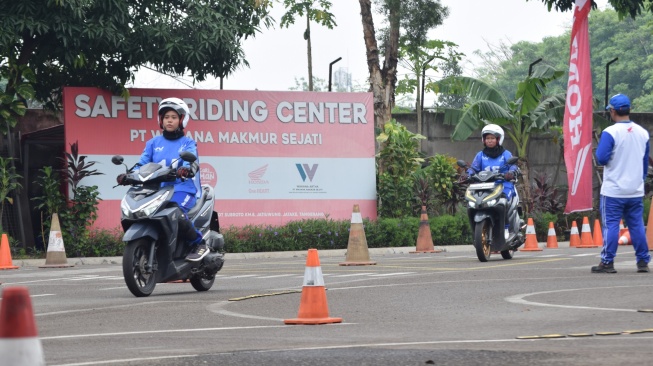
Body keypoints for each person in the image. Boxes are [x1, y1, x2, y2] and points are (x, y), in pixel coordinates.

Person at [117, 97, 209, 262]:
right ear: (161, 120)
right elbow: (143, 163)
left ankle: (199, 243)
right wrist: (129, 176)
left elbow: (192, 161)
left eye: (174, 117)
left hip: (183, 189)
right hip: (159, 190)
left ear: (181, 120)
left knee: (175, 210)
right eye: (166, 117)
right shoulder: (153, 143)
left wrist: (187, 169)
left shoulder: (188, 143)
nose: (169, 121)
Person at [592, 93, 650, 273]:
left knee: (611, 225)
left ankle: (608, 262)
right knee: (637, 225)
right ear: (629, 110)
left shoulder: (610, 132)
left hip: (614, 190)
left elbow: (601, 158)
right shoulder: (643, 132)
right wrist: (638, 182)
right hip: (635, 190)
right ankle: (642, 261)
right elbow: (644, 161)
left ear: (612, 111)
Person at [466, 124, 519, 239]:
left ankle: (506, 227)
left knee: (503, 201)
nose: (489, 141)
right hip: (484, 185)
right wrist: (469, 174)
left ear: (498, 139)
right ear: (483, 140)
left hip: (502, 184)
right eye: (487, 138)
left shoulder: (506, 154)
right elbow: (473, 168)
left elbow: (513, 166)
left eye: (492, 138)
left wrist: (511, 173)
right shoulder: (480, 155)